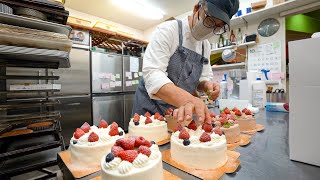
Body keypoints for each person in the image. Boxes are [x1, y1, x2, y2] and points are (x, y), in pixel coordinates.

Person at [132, 0, 239, 125]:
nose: (211, 29)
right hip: (149, 110)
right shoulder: (168, 30)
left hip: (178, 114)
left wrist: (206, 86)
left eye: (218, 27)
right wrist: (188, 100)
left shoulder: (206, 46)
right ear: (197, 8)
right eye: (210, 20)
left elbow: (201, 79)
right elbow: (153, 73)